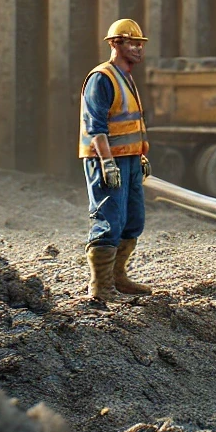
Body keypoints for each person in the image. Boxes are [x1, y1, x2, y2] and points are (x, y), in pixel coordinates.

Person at [80, 19, 153, 303]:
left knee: (133, 221)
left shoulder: (126, 77)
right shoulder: (102, 78)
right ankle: (100, 286)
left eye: (140, 44)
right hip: (107, 160)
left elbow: (130, 123)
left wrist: (140, 154)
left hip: (130, 160)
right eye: (132, 43)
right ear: (114, 44)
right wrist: (108, 163)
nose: (138, 48)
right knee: (108, 220)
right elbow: (95, 127)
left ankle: (118, 277)